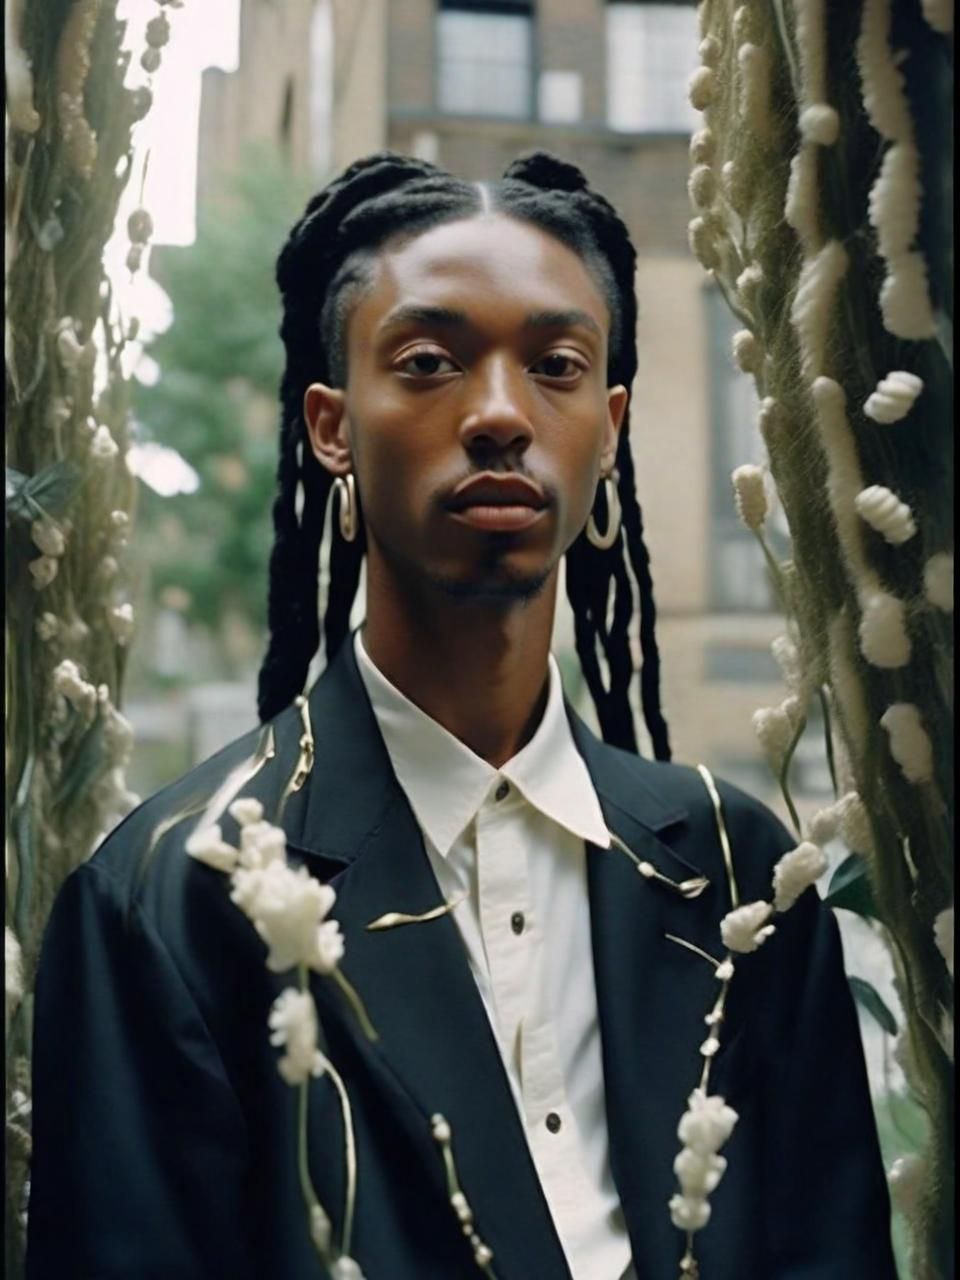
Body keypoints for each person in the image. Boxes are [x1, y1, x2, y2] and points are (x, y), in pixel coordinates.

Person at [26, 152, 897, 1280]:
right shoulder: (170, 902)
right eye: (431, 362)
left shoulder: (744, 877)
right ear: (333, 427)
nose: (498, 412)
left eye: (557, 365)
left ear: (609, 423)